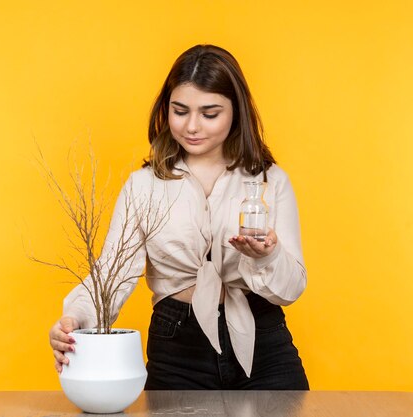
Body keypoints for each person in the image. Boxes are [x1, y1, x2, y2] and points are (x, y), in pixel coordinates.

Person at [48, 44, 309, 390]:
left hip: (264, 341)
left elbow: (292, 288)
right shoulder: (144, 186)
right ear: (165, 108)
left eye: (210, 113)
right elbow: (112, 272)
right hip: (178, 346)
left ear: (236, 112)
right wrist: (74, 319)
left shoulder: (269, 181)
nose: (192, 126)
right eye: (180, 110)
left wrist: (269, 256)